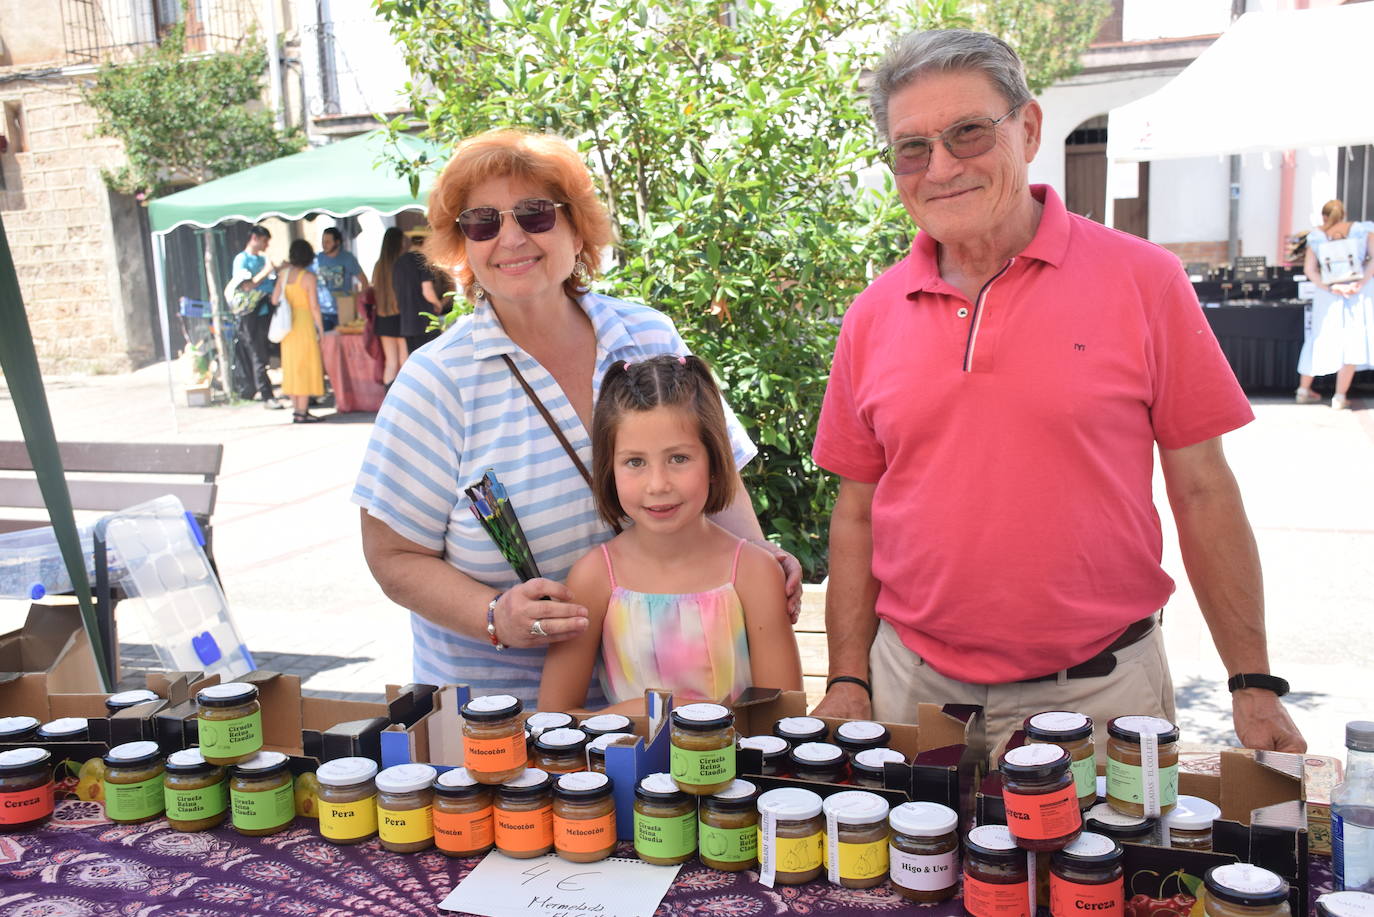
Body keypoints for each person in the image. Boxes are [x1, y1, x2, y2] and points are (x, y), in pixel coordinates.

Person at [810, 29, 1305, 756]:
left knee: (1111, 876)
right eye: (912, 148)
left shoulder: (1144, 282)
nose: (940, 167)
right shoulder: (872, 314)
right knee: (909, 874)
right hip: (913, 694)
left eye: (968, 133)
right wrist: (848, 675)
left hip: (1100, 699)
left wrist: (1253, 681)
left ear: (1030, 128)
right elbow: (857, 515)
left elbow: (1203, 489)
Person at [353, 129, 800, 705]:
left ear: (576, 226)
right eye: (483, 221)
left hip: (689, 699)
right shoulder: (436, 381)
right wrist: (495, 616)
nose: (510, 238)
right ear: (462, 244)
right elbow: (391, 556)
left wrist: (758, 563)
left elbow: (720, 479)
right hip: (506, 716)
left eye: (535, 215)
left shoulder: (646, 334)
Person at [538, 355, 803, 712]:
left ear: (714, 460)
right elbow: (553, 718)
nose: (658, 484)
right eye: (635, 462)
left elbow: (781, 717)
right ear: (609, 468)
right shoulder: (594, 577)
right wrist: (651, 713)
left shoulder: (755, 574)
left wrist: (697, 726)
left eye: (678, 458)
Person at [1295, 199, 1373, 410]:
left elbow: (1310, 270)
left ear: (1324, 216)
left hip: (1328, 294)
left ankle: (1303, 389)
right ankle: (1339, 396)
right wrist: (1359, 284)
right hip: (1358, 292)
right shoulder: (1361, 230)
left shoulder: (1317, 237)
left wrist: (1330, 288)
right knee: (1353, 341)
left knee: (1319, 337)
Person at [270, 239, 326, 423]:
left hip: (287, 326)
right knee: (305, 365)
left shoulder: (283, 275)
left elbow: (274, 299)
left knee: (292, 366)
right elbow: (315, 306)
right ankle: (302, 411)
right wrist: (321, 329)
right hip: (304, 323)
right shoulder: (308, 277)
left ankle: (297, 409)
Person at [232, 225, 282, 408]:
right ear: (255, 238)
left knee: (271, 353)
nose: (266, 246)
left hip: (267, 312)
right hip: (251, 316)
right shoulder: (241, 260)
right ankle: (267, 395)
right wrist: (267, 271)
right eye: (264, 241)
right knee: (258, 355)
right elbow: (247, 285)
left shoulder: (262, 259)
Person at [393, 230, 446, 353]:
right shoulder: (422, 260)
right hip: (425, 322)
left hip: (407, 323)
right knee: (433, 361)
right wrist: (438, 305)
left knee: (416, 362)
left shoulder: (399, 262)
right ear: (425, 241)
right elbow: (427, 290)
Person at [369, 227, 409, 385]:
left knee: (390, 363)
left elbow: (373, 287)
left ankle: (387, 401)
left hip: (383, 317)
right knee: (404, 362)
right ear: (399, 243)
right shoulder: (401, 264)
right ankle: (405, 402)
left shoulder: (379, 265)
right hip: (400, 316)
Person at [315, 226, 370, 332]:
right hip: (323, 311)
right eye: (323, 241)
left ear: (337, 242)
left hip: (344, 310)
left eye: (328, 242)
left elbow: (364, 281)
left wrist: (357, 302)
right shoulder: (317, 258)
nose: (324, 245)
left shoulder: (348, 258)